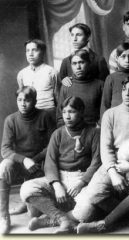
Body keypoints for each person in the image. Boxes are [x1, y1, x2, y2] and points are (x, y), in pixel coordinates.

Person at [74, 76, 129, 233]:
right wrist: (113, 173)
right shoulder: (110, 114)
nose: (127, 94)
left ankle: (104, 224)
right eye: (124, 90)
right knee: (94, 192)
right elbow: (106, 148)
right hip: (113, 163)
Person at [20, 96, 101, 233]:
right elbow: (50, 162)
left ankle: (48, 220)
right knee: (26, 188)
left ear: (81, 112)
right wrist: (57, 185)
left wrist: (82, 182)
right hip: (60, 177)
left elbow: (97, 162)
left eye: (72, 112)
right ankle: (62, 219)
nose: (67, 116)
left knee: (87, 210)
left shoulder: (93, 133)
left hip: (82, 178)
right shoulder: (58, 134)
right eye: (64, 112)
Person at [0, 86, 56, 234]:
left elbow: (52, 145)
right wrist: (24, 160)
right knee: (4, 166)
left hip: (39, 164)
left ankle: (26, 204)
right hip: (20, 163)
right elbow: (5, 149)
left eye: (27, 100)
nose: (23, 103)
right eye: (19, 100)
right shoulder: (11, 120)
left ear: (35, 101)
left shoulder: (45, 116)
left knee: (34, 215)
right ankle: (4, 216)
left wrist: (35, 160)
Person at [57, 49, 103, 127]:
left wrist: (99, 125)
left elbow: (105, 109)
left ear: (88, 63)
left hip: (94, 129)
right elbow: (60, 115)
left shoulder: (100, 85)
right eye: (74, 63)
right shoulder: (67, 85)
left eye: (81, 62)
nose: (78, 67)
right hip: (72, 130)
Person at [17, 39, 59, 121]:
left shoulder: (52, 72)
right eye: (27, 51)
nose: (30, 54)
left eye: (34, 50)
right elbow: (22, 96)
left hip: (49, 113)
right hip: (30, 115)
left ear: (43, 52)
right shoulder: (21, 74)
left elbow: (58, 96)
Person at [59, 23, 109, 87]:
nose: (74, 39)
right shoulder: (65, 61)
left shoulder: (99, 60)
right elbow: (62, 87)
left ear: (88, 37)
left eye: (79, 35)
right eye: (72, 35)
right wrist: (63, 80)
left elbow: (105, 87)